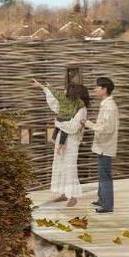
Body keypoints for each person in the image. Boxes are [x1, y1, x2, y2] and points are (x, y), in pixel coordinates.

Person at [33, 77, 90, 205]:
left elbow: (74, 126)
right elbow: (54, 103)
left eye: (66, 90)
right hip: (61, 139)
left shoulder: (81, 109)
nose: (64, 91)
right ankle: (63, 194)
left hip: (72, 140)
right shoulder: (67, 105)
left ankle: (73, 196)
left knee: (70, 166)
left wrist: (58, 123)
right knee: (60, 165)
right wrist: (43, 88)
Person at [89, 76, 119, 213]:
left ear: (104, 89)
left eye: (97, 87)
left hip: (105, 147)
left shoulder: (109, 107)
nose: (95, 89)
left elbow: (107, 128)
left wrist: (89, 124)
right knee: (102, 174)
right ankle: (102, 199)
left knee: (105, 175)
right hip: (103, 146)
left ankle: (107, 205)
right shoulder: (106, 105)